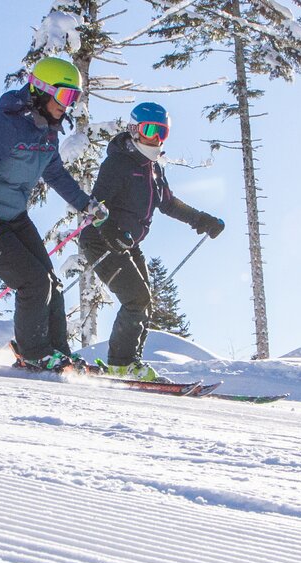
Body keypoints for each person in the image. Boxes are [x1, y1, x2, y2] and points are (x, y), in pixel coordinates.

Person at [0, 56, 107, 372]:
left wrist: (85, 204)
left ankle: (59, 353)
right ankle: (34, 354)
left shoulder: (48, 132)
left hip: (14, 217)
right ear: (41, 91)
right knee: (33, 283)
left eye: (74, 98)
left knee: (51, 282)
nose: (69, 105)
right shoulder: (7, 125)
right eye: (65, 96)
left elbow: (56, 175)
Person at [80, 102, 225, 381]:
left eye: (163, 132)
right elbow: (96, 203)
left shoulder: (154, 168)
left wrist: (202, 220)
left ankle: (129, 362)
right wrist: (108, 230)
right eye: (149, 130)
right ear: (134, 130)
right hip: (102, 239)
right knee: (136, 297)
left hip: (129, 242)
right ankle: (122, 364)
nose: (155, 138)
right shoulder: (118, 162)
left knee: (144, 301)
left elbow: (168, 203)